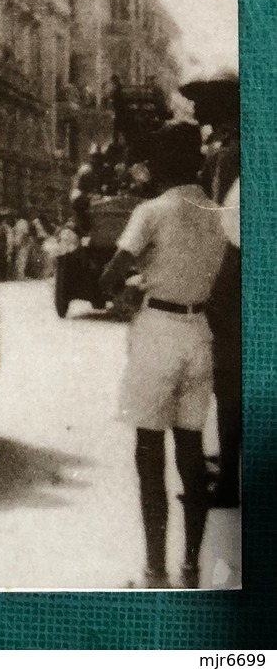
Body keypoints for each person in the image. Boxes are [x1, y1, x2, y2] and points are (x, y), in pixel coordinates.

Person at [99, 121, 227, 588]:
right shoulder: (218, 212)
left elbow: (110, 277)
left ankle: (155, 568)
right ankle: (192, 564)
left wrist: (134, 283)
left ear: (161, 165)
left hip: (157, 332)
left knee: (149, 449)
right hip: (200, 332)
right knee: (191, 450)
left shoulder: (151, 211)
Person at [180, 71, 241, 507]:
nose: (196, 110)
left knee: (228, 378)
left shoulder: (227, 155)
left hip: (230, 278)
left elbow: (221, 223)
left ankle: (230, 482)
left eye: (202, 101)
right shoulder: (236, 147)